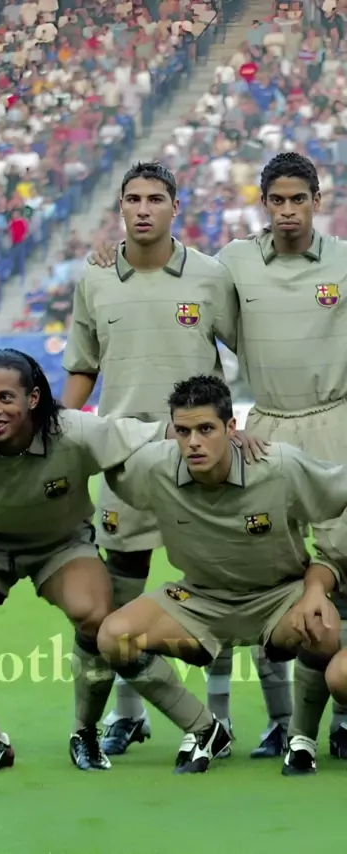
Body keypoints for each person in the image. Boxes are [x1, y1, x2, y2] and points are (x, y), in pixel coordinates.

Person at [89, 152, 347, 769]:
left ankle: (328, 721)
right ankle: (203, 719)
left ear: (317, 200)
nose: (288, 211)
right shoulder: (232, 262)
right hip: (265, 423)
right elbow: (180, 284)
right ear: (264, 204)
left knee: (335, 567)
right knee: (232, 565)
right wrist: (113, 254)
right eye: (277, 200)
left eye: (299, 199)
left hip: (334, 417)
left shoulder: (343, 258)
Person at [0, 347, 179, 775]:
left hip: (60, 546)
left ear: (33, 398)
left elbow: (154, 434)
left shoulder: (74, 430)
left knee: (95, 616)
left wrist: (225, 433)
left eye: (5, 397)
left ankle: (85, 733)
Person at [62, 160, 265, 759]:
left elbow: (251, 351)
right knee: (122, 594)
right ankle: (128, 717)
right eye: (133, 198)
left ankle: (219, 720)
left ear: (176, 207)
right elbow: (83, 367)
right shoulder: (95, 278)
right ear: (121, 207)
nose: (143, 208)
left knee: (216, 587)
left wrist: (256, 422)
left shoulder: (210, 275)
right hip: (124, 459)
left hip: (200, 455)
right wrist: (55, 432)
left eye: (156, 198)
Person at [99, 374, 346, 775]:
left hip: (279, 597)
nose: (193, 442)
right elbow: (100, 451)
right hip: (199, 599)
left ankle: (300, 738)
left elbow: (339, 492)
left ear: (232, 427)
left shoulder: (279, 466)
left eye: (206, 429)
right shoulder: (154, 466)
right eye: (183, 431)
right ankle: (205, 729)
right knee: (113, 637)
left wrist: (324, 572)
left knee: (323, 626)